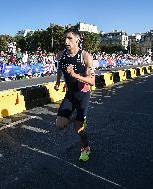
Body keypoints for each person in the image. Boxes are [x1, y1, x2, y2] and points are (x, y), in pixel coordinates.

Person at [54, 27, 95, 162]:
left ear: (77, 40)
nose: (66, 41)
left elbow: (92, 81)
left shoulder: (85, 56)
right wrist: (58, 81)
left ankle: (85, 147)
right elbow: (60, 68)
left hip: (83, 94)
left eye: (70, 38)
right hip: (70, 94)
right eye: (65, 38)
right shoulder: (61, 54)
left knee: (78, 129)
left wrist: (75, 75)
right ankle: (78, 118)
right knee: (59, 125)